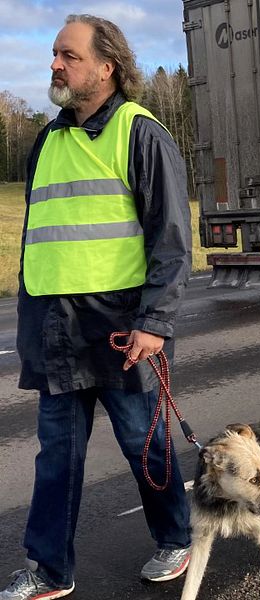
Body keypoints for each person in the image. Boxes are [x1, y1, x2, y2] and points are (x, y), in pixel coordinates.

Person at [1, 15, 192, 600]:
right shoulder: (48, 140)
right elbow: (44, 232)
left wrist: (154, 325)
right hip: (57, 330)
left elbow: (171, 240)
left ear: (106, 67)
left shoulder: (141, 133)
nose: (55, 64)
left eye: (68, 55)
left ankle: (178, 535)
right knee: (57, 454)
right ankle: (52, 570)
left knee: (144, 443)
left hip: (121, 329)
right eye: (54, 55)